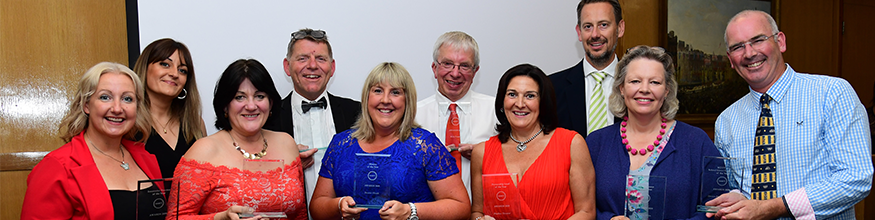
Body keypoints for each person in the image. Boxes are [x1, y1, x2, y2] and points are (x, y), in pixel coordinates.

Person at [706, 10, 873, 219]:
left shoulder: (832, 93)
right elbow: (733, 187)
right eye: (738, 47)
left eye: (758, 40)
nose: (749, 53)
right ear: (731, 59)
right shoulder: (726, 120)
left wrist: (773, 207)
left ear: (781, 42)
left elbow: (855, 178)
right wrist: (733, 198)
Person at [310, 62, 470, 220]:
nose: (385, 100)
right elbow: (317, 207)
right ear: (367, 98)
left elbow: (461, 207)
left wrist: (411, 211)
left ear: (407, 100)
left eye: (395, 92)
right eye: (378, 91)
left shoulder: (426, 146)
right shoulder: (341, 144)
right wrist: (338, 206)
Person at [585, 46, 720, 219]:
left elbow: (716, 205)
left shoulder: (696, 142)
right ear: (621, 88)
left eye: (655, 82)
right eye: (635, 81)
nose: (644, 89)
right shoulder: (596, 143)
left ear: (666, 90)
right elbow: (580, 204)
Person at [167, 59, 307, 220]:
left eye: (259, 96)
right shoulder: (204, 151)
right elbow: (174, 218)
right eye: (240, 97)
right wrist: (220, 218)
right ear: (225, 106)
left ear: (271, 103)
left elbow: (300, 214)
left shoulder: (286, 143)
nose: (251, 105)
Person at [22, 62, 162, 219]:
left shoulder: (146, 158)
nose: (117, 108)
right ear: (86, 105)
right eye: (105, 97)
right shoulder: (58, 166)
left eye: (127, 99)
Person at [471, 64, 596, 219]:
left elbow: (586, 212)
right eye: (512, 94)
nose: (520, 103)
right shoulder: (482, 152)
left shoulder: (571, 144)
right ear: (502, 101)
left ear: (543, 102)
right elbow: (477, 211)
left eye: (530, 96)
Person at [263, 29, 361, 215]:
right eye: (302, 58)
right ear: (287, 66)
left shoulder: (359, 113)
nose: (312, 65)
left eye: (321, 59)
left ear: (332, 68)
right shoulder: (267, 119)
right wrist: (287, 166)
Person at [415, 31, 499, 201]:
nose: (455, 73)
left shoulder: (498, 110)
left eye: (464, 66)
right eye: (447, 64)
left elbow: (520, 159)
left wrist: (486, 154)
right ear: (434, 68)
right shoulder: (413, 115)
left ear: (475, 71)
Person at [132, 38, 206, 179]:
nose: (174, 74)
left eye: (182, 70)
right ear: (145, 68)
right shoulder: (128, 123)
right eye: (165, 64)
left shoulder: (195, 124)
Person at [550, 0, 625, 137]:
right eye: (588, 26)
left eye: (603, 25)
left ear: (620, 28)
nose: (595, 34)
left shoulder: (638, 87)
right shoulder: (552, 88)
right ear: (579, 32)